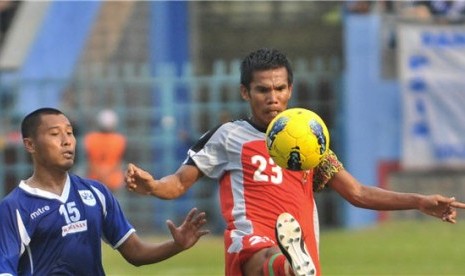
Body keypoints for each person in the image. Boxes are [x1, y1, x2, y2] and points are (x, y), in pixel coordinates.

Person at [125, 48, 465, 276]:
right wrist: (154, 186)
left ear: (290, 89)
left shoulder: (309, 137)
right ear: (245, 92)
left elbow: (357, 192)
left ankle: (293, 263)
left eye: (279, 88)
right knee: (260, 252)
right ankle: (287, 264)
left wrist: (419, 202)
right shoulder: (229, 136)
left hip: (306, 257)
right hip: (251, 241)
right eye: (262, 90)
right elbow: (180, 182)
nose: (272, 98)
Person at [0, 107, 209, 275]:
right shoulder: (15, 207)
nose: (67, 141)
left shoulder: (96, 193)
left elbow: (135, 252)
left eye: (70, 132)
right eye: (55, 134)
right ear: (30, 145)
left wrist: (177, 245)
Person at [84, 109, 126, 192]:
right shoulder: (119, 140)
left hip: (94, 179)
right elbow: (120, 161)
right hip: (114, 180)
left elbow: (88, 161)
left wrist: (100, 173)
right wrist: (107, 173)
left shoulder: (90, 138)